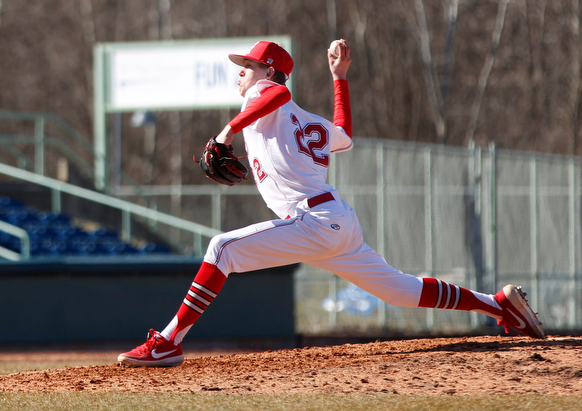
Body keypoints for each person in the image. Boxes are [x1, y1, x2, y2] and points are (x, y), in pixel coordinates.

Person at [117, 39, 545, 367]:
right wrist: (339, 79)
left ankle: (169, 342)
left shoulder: (267, 96)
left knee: (221, 249)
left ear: (269, 70)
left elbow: (275, 95)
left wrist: (225, 134)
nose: (242, 73)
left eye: (248, 66)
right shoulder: (305, 119)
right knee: (400, 290)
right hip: (335, 221)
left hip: (314, 220)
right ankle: (497, 304)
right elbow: (344, 133)